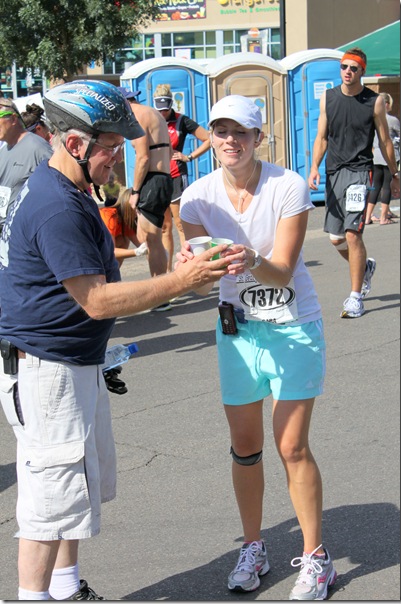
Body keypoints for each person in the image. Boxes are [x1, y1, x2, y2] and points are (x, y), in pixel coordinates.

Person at [0, 80, 231, 601]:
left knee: (73, 491)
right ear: (76, 145)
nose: (118, 159)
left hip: (67, 364)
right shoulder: (57, 206)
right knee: (46, 502)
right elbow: (97, 300)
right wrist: (179, 283)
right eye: (109, 148)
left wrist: (172, 268)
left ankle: (65, 588)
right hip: (47, 372)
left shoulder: (63, 190)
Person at [179, 94, 336, 600]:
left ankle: (316, 558)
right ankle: (254, 547)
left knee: (291, 445)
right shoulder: (196, 199)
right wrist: (192, 269)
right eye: (221, 131)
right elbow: (200, 286)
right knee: (246, 447)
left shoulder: (287, 186)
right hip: (236, 330)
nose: (230, 141)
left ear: (257, 138)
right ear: (211, 138)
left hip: (292, 322)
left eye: (240, 132)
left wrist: (249, 259)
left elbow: (283, 270)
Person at [308, 48, 400, 319]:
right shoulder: (328, 98)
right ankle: (365, 267)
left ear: (363, 72)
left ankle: (355, 297)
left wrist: (394, 175)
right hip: (334, 172)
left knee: (352, 234)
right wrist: (314, 167)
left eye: (354, 68)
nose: (348, 72)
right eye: (344, 67)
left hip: (361, 173)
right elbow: (322, 137)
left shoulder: (374, 101)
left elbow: (384, 141)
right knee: (335, 238)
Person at [118, 86, 173, 311]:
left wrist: (135, 191)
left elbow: (142, 158)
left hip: (152, 180)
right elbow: (166, 152)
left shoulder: (138, 116)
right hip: (162, 177)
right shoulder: (153, 113)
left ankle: (160, 296)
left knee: (151, 239)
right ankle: (162, 290)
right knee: (152, 238)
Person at [153, 84, 211, 271]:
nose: (163, 113)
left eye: (166, 109)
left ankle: (187, 267)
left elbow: (209, 139)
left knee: (180, 223)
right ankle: (168, 271)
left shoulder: (181, 121)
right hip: (157, 177)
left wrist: (189, 156)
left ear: (171, 105)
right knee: (164, 226)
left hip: (177, 175)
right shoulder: (152, 120)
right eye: (159, 109)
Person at [0, 97, 53, 233]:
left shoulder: (38, 148)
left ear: (12, 119)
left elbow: (60, 187)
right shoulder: (4, 150)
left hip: (25, 236)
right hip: (5, 235)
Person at [365, 92, 400, 226]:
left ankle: (367, 217)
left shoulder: (373, 118)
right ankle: (384, 217)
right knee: (387, 187)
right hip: (389, 157)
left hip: (376, 156)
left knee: (375, 186)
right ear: (386, 104)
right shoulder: (391, 120)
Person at [99, 187, 148, 266]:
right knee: (122, 241)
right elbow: (110, 251)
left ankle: (113, 274)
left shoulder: (125, 220)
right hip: (85, 250)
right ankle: (110, 275)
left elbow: (142, 245)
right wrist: (136, 252)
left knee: (124, 239)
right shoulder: (109, 216)